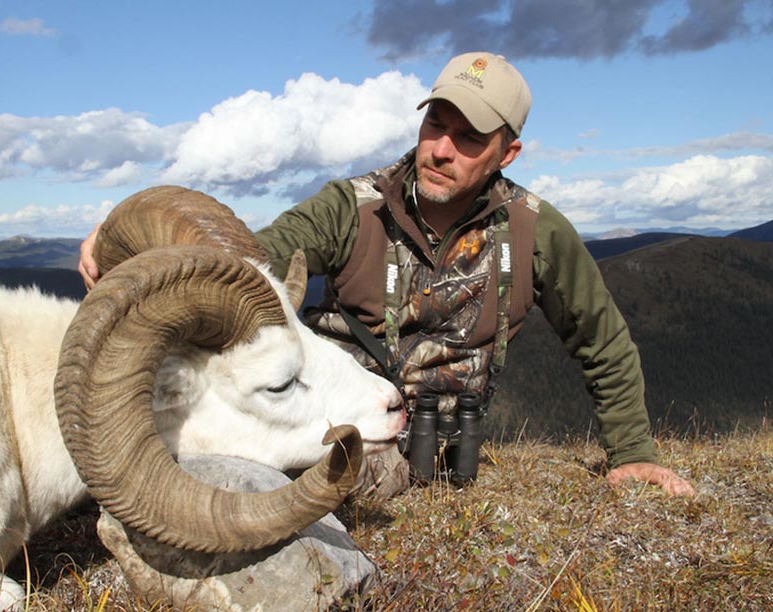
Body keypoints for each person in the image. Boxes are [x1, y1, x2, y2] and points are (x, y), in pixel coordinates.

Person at [79, 52, 695, 499]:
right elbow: (245, 271)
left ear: (507, 152)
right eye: (435, 125)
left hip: (445, 454)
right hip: (328, 431)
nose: (440, 149)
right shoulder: (350, 206)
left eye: (468, 137)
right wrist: (132, 254)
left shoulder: (537, 233)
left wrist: (632, 455)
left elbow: (603, 342)